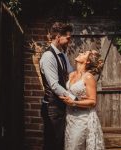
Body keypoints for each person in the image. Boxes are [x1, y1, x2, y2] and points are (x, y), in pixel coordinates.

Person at [39, 22, 77, 150]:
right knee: (52, 144)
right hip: (52, 108)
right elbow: (54, 86)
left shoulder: (62, 54)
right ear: (58, 37)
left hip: (60, 106)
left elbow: (71, 72)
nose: (69, 41)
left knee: (60, 143)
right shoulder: (48, 56)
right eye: (68, 37)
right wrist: (74, 98)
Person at [60, 50, 105, 150]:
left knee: (74, 147)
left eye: (84, 54)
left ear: (87, 61)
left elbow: (93, 101)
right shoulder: (71, 74)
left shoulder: (88, 77)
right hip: (70, 117)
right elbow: (73, 93)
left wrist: (74, 102)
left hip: (82, 119)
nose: (80, 53)